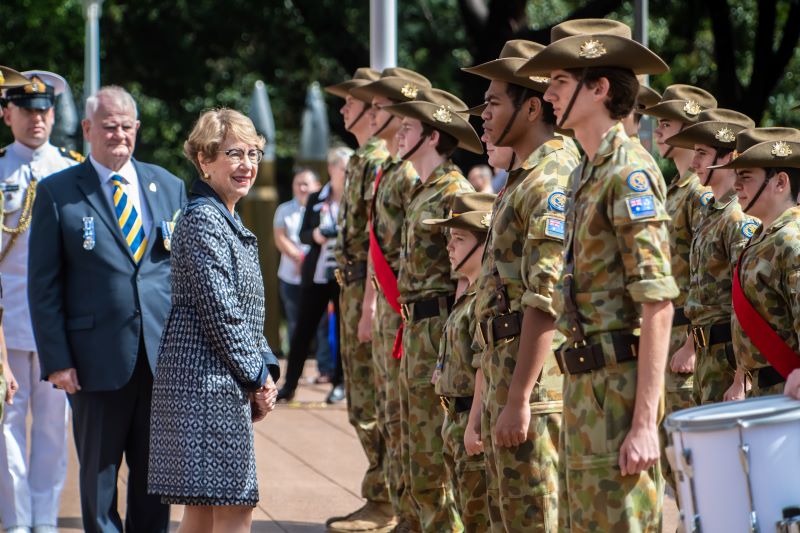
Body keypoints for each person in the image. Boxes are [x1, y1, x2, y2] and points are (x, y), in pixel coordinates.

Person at [519, 18, 677, 530]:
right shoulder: (584, 172)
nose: (547, 93)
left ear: (600, 88)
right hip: (586, 388)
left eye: (560, 82)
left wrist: (644, 423)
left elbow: (657, 301)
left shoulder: (628, 171)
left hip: (620, 389)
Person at [28, 85, 187, 533]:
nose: (118, 135)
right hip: (94, 360)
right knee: (98, 481)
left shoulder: (169, 186)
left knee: (156, 480)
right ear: (86, 130)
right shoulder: (58, 193)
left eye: (126, 127)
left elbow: (180, 275)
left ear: (137, 129)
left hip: (160, 358)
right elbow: (44, 286)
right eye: (108, 127)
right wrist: (57, 361)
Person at [463, 38, 580, 531]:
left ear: (531, 108)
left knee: (534, 519)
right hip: (506, 372)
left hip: (533, 386)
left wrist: (519, 398)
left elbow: (544, 298)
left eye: (492, 102)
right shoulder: (523, 176)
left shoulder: (550, 178)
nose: (483, 115)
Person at [147, 108, 280, 533]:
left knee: (203, 514)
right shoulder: (205, 219)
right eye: (234, 154)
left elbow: (241, 312)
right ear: (204, 160)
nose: (247, 165)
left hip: (210, 383)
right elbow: (222, 310)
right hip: (206, 386)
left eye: (253, 153)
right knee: (234, 506)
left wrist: (263, 368)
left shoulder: (222, 216)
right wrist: (259, 375)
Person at [333, 68, 431, 533]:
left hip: (384, 293)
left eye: (355, 102)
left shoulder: (390, 164)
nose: (347, 109)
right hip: (358, 286)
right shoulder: (374, 161)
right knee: (369, 400)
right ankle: (386, 494)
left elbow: (394, 245)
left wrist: (372, 302)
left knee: (385, 402)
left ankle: (388, 498)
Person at [382, 88, 479, 532]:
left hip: (439, 326)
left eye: (408, 128)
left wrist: (450, 348)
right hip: (415, 326)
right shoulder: (423, 190)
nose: (399, 134)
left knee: (432, 449)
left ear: (434, 136)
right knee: (410, 441)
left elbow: (466, 273)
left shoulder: (454, 192)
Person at [0, 70, 84, 533]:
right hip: (6, 321)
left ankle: (46, 521)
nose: (37, 119)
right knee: (6, 427)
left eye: (45, 110)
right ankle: (17, 522)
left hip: (57, 326)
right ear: (6, 113)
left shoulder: (73, 169)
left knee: (54, 430)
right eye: (28, 110)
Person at [664, 108, 758, 404]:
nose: (694, 163)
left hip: (727, 354)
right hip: (708, 355)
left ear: (728, 158)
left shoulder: (737, 218)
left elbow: (746, 301)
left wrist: (743, 376)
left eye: (702, 154)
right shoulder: (712, 212)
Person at [422, 192, 493, 532]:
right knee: (466, 513)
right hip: (455, 417)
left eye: (460, 239)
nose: (450, 247)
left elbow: (484, 366)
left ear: (485, 244)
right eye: (450, 239)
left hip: (470, 418)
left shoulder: (486, 299)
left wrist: (475, 424)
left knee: (479, 518)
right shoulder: (468, 293)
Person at [719, 127, 800, 397]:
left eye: (746, 177)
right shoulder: (761, 236)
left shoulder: (791, 240)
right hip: (763, 391)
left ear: (780, 182)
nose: (736, 185)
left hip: (787, 391)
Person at [277, 148, 351, 403]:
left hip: (344, 274)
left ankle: (339, 384)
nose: (348, 173)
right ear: (332, 169)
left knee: (343, 331)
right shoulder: (317, 197)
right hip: (317, 273)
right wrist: (317, 235)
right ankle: (289, 384)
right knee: (301, 331)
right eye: (344, 168)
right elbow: (303, 234)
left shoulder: (355, 197)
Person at [273, 168, 333, 381]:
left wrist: (309, 262)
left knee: (322, 324)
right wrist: (299, 257)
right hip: (291, 275)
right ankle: (294, 372)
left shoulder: (325, 208)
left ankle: (325, 369)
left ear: (317, 186)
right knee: (294, 323)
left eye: (306, 184)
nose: (302, 188)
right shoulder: (284, 209)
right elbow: (280, 238)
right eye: (298, 184)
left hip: (318, 276)